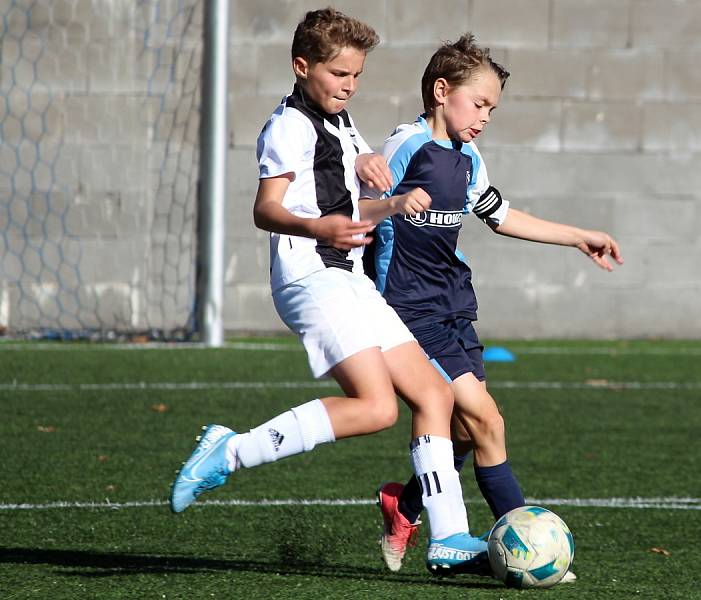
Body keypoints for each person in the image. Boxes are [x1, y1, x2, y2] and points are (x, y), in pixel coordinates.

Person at [169, 9, 486, 574]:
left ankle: (449, 538)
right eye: (340, 74)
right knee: (376, 407)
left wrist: (388, 201)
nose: (350, 85)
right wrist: (321, 227)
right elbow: (267, 209)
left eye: (357, 75)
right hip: (309, 277)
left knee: (434, 396)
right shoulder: (288, 126)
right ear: (302, 66)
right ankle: (231, 450)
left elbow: (344, 206)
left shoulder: (342, 122)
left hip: (347, 277)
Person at [367, 34, 623, 577]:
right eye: (479, 103)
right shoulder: (404, 146)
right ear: (442, 91)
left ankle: (404, 506)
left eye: (492, 109)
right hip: (409, 310)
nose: (486, 116)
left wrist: (577, 236)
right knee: (486, 419)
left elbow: (500, 216)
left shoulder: (468, 157)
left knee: (464, 431)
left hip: (456, 307)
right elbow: (355, 207)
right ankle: (525, 547)